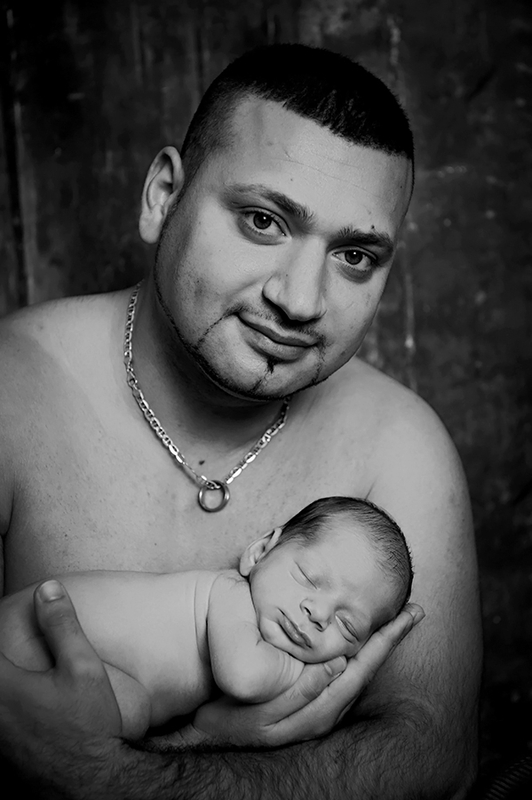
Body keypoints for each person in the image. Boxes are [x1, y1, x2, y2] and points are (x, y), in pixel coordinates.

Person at [0, 43, 482, 799]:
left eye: (355, 256)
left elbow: (435, 759)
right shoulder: (13, 389)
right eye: (264, 220)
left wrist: (120, 771)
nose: (300, 300)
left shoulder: (401, 445)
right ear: (163, 196)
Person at [0, 497, 415, 741]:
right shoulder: (230, 594)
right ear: (260, 553)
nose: (318, 614)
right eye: (308, 577)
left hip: (64, 660)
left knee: (125, 713)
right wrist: (317, 674)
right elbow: (244, 678)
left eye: (348, 626)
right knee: (127, 714)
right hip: (31, 641)